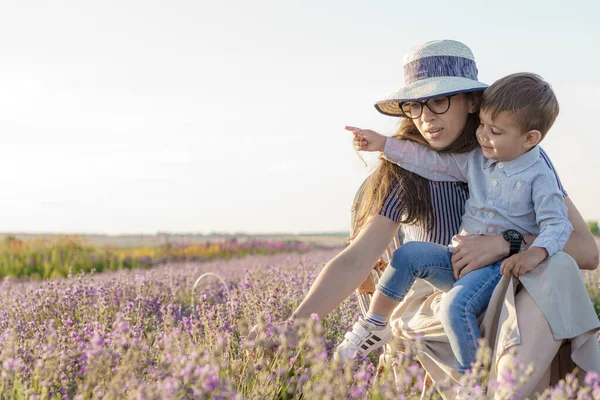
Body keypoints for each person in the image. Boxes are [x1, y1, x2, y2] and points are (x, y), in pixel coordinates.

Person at [250, 40, 600, 398]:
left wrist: (504, 243)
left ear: (471, 101)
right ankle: (487, 386)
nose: (426, 117)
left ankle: (501, 390)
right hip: (439, 307)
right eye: (415, 106)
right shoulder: (407, 169)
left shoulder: (521, 156)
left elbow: (586, 252)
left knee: (557, 270)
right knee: (482, 298)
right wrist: (293, 327)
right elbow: (357, 258)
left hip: (511, 296)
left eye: (438, 101)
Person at [334, 72, 573, 376]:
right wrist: (383, 144)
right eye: (483, 126)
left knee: (454, 307)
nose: (483, 135)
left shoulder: (540, 176)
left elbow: (558, 225)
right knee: (408, 255)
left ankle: (474, 382)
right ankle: (376, 324)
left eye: (495, 131)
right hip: (458, 259)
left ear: (530, 138)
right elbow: (430, 162)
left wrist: (532, 253)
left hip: (496, 271)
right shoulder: (478, 159)